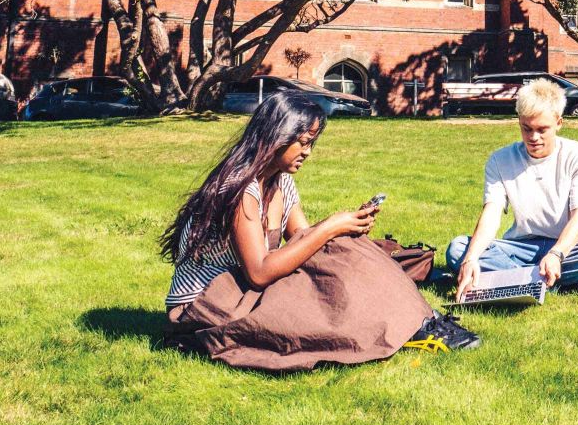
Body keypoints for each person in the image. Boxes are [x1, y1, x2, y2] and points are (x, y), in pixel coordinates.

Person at [161, 91, 475, 370]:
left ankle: (421, 320)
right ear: (276, 136)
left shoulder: (280, 181)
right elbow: (259, 272)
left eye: (311, 143)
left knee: (343, 250)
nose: (308, 152)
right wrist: (329, 228)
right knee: (317, 300)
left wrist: (347, 228)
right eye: (303, 142)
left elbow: (305, 240)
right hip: (207, 305)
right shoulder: (241, 189)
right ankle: (409, 326)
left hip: (243, 285)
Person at [448, 79, 578, 300]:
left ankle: (513, 280)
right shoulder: (500, 159)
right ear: (519, 122)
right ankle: (547, 283)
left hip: (568, 248)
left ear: (559, 122)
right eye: (527, 129)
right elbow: (491, 213)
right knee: (459, 249)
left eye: (542, 130)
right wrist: (471, 259)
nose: (534, 138)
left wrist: (556, 254)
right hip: (520, 247)